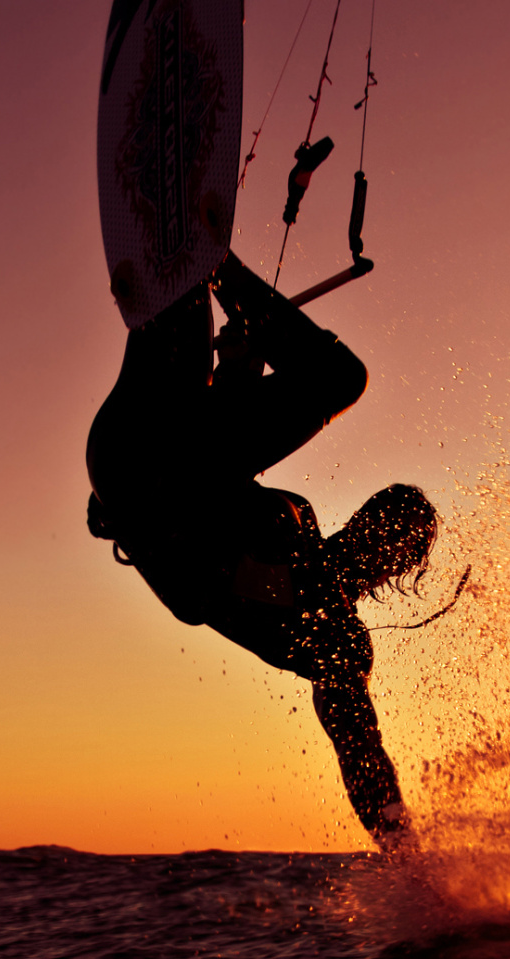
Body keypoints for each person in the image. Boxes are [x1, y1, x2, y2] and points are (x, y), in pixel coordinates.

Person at [87, 253, 437, 849]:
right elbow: (226, 477)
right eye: (381, 513)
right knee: (185, 292)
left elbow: (358, 743)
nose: (373, 529)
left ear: (392, 568)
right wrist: (241, 372)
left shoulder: (336, 637)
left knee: (339, 378)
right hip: (165, 445)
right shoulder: (299, 529)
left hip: (140, 477)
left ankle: (214, 262)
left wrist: (398, 841)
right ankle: (198, 257)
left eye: (391, 535)